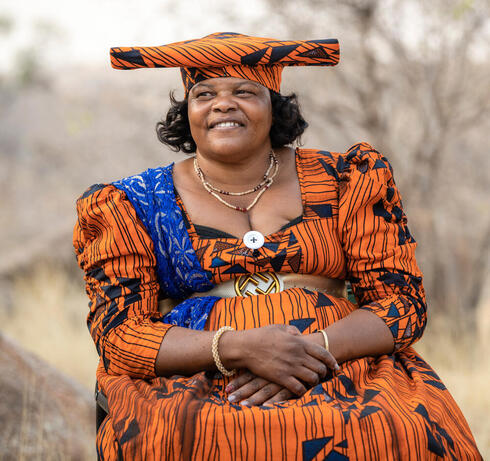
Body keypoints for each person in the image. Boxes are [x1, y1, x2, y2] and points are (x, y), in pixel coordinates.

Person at [73, 33, 481, 460]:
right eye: (204, 93)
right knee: (178, 436)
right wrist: (240, 349)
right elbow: (119, 334)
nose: (223, 103)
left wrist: (308, 353)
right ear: (187, 112)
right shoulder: (132, 203)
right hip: (199, 373)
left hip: (341, 359)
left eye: (244, 92)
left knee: (395, 428)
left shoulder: (345, 179)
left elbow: (401, 304)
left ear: (274, 107)